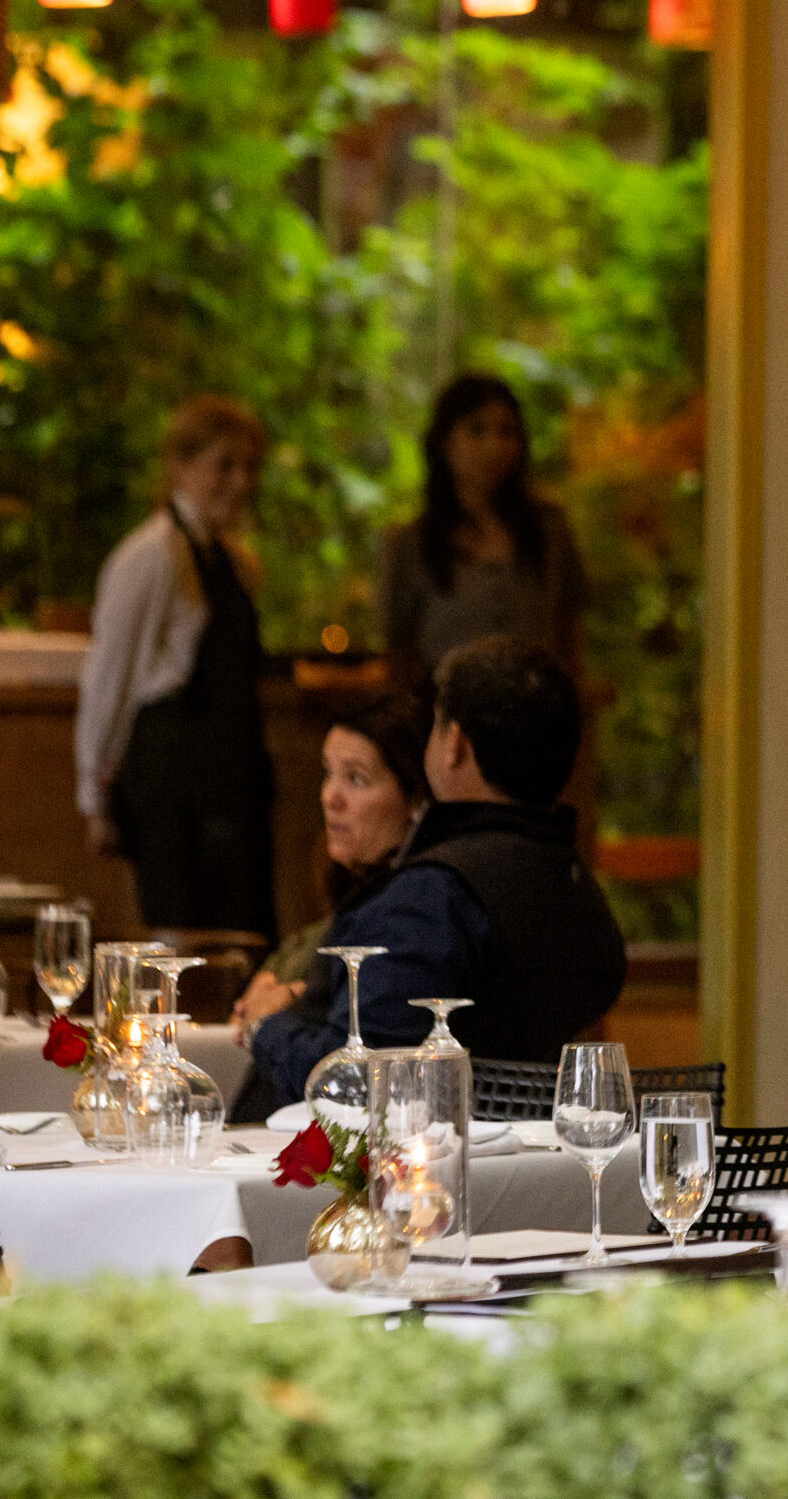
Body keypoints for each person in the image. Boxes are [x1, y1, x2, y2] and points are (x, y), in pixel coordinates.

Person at [241, 635, 627, 1116]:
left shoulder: (431, 898)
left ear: (454, 745)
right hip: (530, 1168)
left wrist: (268, 1026)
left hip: (390, 1176)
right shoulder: (574, 886)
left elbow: (361, 1089)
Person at [75, 394, 278, 939]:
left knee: (245, 942)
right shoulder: (150, 556)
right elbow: (110, 679)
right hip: (172, 782)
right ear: (181, 466)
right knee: (179, 947)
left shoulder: (238, 562)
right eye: (224, 465)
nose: (240, 482)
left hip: (233, 777)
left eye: (250, 467)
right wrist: (95, 797)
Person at [230, 689, 432, 1046]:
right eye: (329, 773)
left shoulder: (414, 915)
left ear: (416, 798)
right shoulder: (330, 918)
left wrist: (291, 1003)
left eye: (356, 779)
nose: (329, 797)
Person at [379, 374, 588, 692]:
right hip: (450, 721)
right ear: (445, 441)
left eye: (506, 432)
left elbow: (569, 633)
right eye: (476, 430)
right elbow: (399, 654)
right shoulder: (412, 542)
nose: (495, 446)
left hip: (537, 720)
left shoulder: (548, 528)